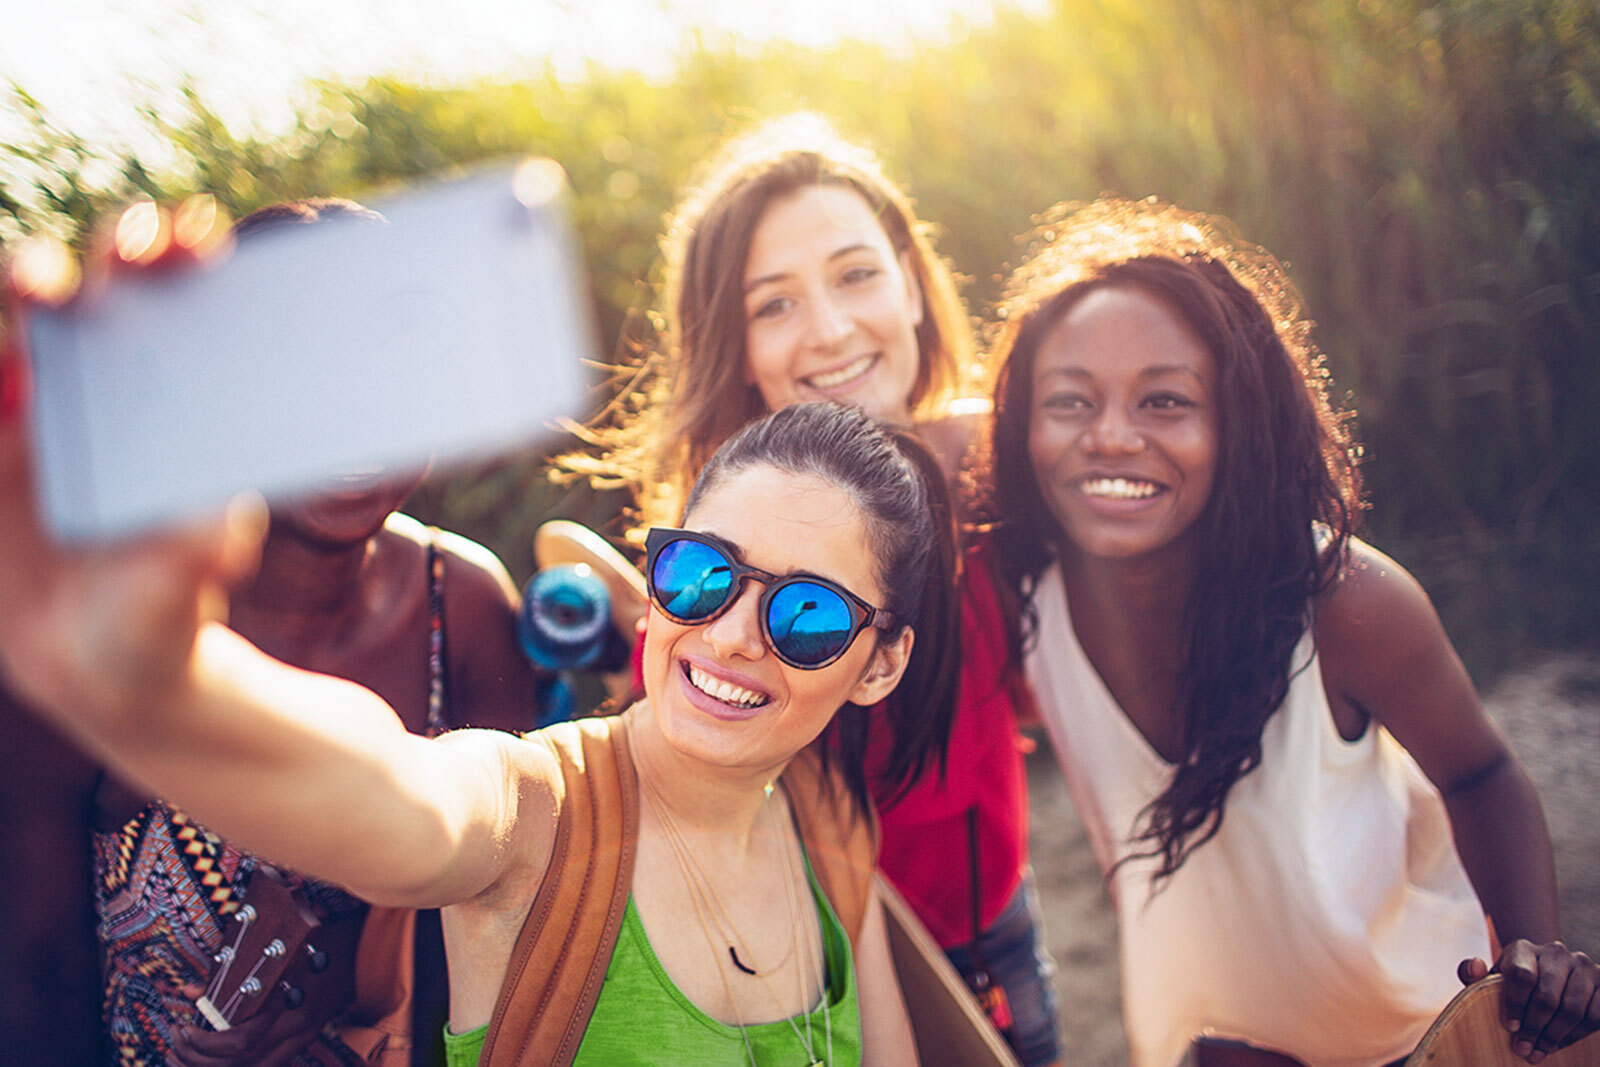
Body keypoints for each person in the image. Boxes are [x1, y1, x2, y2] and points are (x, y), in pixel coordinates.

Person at [0, 398, 956, 1065]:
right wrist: (152, 670)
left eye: (809, 618)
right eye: (702, 575)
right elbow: (392, 793)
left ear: (879, 663)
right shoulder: (535, 808)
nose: (734, 635)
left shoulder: (828, 818)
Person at [980, 197, 1600, 1067]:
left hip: (1409, 1034)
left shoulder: (1342, 599)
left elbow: (1481, 768)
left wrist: (1529, 954)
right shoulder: (1028, 598)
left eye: (1164, 400)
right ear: (1023, 425)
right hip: (1195, 1039)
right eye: (1070, 401)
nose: (1110, 436)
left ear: (1241, 422)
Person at [563, 113, 1062, 1066]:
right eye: (773, 304)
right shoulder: (706, 572)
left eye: (856, 274)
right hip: (811, 963)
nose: (831, 330)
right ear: (733, 343)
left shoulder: (997, 467)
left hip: (996, 930)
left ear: (913, 285)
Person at [6, 198, 542, 1067]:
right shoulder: (94, 623)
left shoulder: (468, 607)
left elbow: (511, 925)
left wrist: (359, 987)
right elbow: (33, 982)